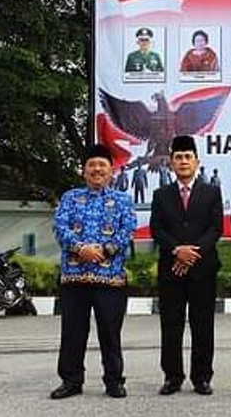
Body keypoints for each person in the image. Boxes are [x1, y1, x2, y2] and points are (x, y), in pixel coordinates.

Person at [50, 144, 137, 399]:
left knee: (110, 333)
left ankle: (114, 381)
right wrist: (80, 248)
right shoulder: (69, 198)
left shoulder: (122, 200)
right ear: (84, 171)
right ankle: (71, 381)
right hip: (74, 278)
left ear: (112, 171)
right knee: (72, 333)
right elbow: (60, 227)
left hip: (110, 278)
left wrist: (104, 250)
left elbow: (128, 229)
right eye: (92, 165)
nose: (97, 169)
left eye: (102, 165)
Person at [150, 135, 223, 396]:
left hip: (202, 269)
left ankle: (202, 377)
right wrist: (176, 250)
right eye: (178, 157)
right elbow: (156, 229)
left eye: (187, 157)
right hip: (171, 269)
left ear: (197, 161)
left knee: (203, 325)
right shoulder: (161, 195)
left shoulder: (212, 192)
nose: (183, 161)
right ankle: (172, 376)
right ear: (171, 163)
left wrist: (191, 254)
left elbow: (215, 229)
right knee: (171, 324)